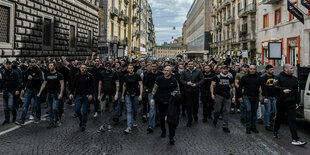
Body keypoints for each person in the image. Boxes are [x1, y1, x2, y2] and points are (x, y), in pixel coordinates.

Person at [273, 64, 307, 146]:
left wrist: (297, 102)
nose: (293, 69)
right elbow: (274, 87)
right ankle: (275, 131)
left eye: (293, 68)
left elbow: (296, 92)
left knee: (292, 120)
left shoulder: (295, 79)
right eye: (291, 68)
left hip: (291, 103)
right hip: (281, 102)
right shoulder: (278, 77)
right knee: (279, 117)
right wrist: (282, 90)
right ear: (285, 70)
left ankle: (295, 139)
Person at [150, 66, 179, 145]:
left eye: (168, 71)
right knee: (162, 117)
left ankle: (171, 137)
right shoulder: (159, 79)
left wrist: (174, 94)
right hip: (161, 101)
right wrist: (152, 98)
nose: (166, 72)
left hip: (170, 102)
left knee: (170, 120)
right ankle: (163, 131)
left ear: (171, 71)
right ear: (163, 71)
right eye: (165, 70)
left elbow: (177, 90)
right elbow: (154, 89)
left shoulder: (174, 80)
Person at [16, 59, 43, 125]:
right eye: (30, 63)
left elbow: (40, 80)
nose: (31, 64)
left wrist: (33, 78)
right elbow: (25, 81)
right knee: (25, 105)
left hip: (36, 90)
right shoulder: (27, 71)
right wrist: (22, 89)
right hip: (28, 90)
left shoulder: (38, 71)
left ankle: (38, 117)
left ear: (35, 63)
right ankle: (22, 120)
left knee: (37, 105)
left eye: (32, 63)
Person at [37, 62, 64, 128]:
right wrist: (40, 92)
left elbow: (62, 84)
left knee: (54, 108)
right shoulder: (47, 74)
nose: (50, 67)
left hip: (56, 94)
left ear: (54, 66)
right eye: (49, 66)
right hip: (49, 93)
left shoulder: (59, 74)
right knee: (50, 109)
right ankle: (52, 121)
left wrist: (61, 93)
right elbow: (44, 84)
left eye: (51, 65)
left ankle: (57, 120)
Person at [239, 64, 263, 134]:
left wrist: (264, 96)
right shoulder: (244, 77)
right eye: (251, 69)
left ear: (256, 70)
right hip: (246, 97)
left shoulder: (259, 78)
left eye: (253, 69)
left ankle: (253, 127)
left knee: (254, 112)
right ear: (248, 69)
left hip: (255, 97)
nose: (252, 70)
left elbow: (262, 87)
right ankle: (248, 127)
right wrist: (240, 97)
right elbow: (240, 87)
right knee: (249, 111)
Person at [69, 64, 94, 132]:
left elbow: (92, 86)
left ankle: (83, 125)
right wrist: (71, 93)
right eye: (82, 68)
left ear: (86, 69)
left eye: (84, 68)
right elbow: (73, 85)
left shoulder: (90, 76)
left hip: (86, 96)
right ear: (80, 68)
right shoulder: (77, 75)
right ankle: (81, 120)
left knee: (85, 111)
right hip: (78, 95)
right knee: (77, 110)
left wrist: (91, 94)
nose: (83, 69)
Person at [210, 65, 235, 133]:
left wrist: (234, 96)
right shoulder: (217, 77)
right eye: (224, 69)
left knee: (226, 111)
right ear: (221, 70)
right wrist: (212, 94)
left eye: (227, 69)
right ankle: (215, 119)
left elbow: (233, 87)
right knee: (217, 110)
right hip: (219, 95)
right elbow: (212, 85)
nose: (225, 70)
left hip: (227, 96)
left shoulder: (230, 77)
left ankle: (225, 126)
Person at [180, 61, 204, 127]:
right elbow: (181, 80)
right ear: (187, 65)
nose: (190, 65)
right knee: (188, 105)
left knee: (196, 105)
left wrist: (196, 84)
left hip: (195, 90)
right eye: (189, 64)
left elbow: (202, 80)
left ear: (194, 65)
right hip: (187, 91)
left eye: (191, 64)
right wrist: (186, 83)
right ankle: (189, 120)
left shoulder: (198, 71)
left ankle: (195, 114)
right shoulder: (184, 72)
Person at [122, 64, 143, 134]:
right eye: (129, 68)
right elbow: (124, 86)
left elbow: (140, 85)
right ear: (127, 69)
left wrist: (140, 94)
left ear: (133, 69)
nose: (130, 69)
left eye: (131, 68)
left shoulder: (137, 75)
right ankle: (129, 126)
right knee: (129, 110)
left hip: (136, 95)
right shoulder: (125, 76)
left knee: (135, 109)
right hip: (128, 95)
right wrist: (122, 95)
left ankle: (134, 119)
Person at [144, 63, 163, 134]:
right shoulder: (148, 75)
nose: (153, 68)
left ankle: (158, 121)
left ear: (157, 67)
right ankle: (150, 126)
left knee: (158, 108)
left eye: (155, 66)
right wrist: (143, 93)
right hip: (151, 94)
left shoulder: (161, 74)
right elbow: (145, 84)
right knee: (152, 109)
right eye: (152, 66)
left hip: (159, 94)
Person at [1, 60, 20, 125]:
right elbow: (2, 81)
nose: (8, 65)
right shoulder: (3, 72)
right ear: (5, 65)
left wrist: (17, 90)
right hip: (5, 91)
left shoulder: (14, 72)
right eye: (7, 64)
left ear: (11, 65)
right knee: (5, 107)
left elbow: (18, 82)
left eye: (9, 64)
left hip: (11, 91)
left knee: (10, 106)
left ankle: (14, 115)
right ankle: (7, 119)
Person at [261, 65, 277, 131]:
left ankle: (270, 120)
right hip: (266, 96)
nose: (272, 71)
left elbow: (276, 86)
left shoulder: (275, 77)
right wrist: (265, 97)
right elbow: (263, 88)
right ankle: (267, 125)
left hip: (274, 96)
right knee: (267, 110)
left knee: (274, 110)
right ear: (267, 70)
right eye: (270, 70)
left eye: (273, 69)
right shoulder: (263, 78)